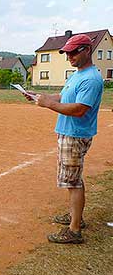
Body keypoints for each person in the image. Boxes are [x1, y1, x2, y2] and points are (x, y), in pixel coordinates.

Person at [24, 34, 103, 244]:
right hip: (68, 133)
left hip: (75, 135)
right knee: (73, 178)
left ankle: (74, 229)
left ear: (87, 50)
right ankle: (75, 216)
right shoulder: (77, 74)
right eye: (67, 52)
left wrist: (47, 104)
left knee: (73, 181)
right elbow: (64, 98)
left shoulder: (91, 79)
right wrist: (39, 96)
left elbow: (79, 109)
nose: (69, 56)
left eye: (74, 51)